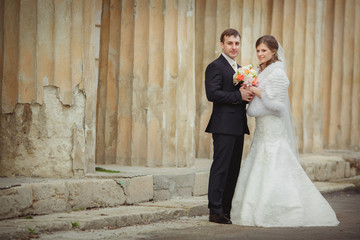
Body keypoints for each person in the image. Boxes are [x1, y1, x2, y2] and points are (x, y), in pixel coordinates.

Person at [230, 35, 339, 227]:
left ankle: (285, 210)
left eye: (264, 50)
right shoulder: (259, 71)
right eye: (258, 50)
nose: (260, 54)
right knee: (258, 166)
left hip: (272, 128)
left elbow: (277, 105)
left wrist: (255, 91)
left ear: (273, 51)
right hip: (262, 129)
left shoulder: (277, 73)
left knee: (275, 165)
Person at [205, 28, 254, 224]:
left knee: (234, 169)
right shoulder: (215, 66)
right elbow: (212, 94)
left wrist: (247, 95)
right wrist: (238, 95)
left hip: (238, 125)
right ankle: (215, 210)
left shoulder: (241, 69)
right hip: (223, 125)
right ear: (222, 45)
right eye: (230, 43)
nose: (234, 47)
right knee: (221, 168)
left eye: (237, 43)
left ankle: (226, 209)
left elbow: (239, 96)